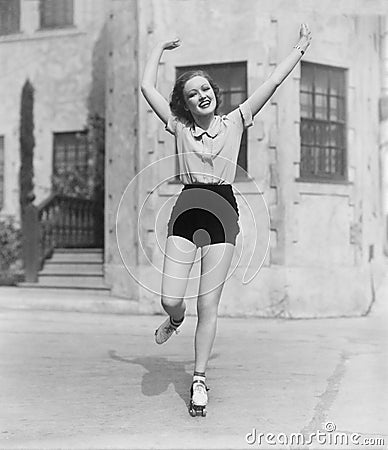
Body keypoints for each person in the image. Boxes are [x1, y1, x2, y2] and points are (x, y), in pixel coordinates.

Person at [140, 24, 312, 416]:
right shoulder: (179, 126)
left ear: (215, 95)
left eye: (205, 90)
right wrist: (157, 48)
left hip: (222, 208)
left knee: (209, 304)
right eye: (191, 94)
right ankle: (174, 320)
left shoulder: (236, 120)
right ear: (184, 104)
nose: (201, 96)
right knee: (171, 298)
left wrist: (299, 49)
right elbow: (147, 88)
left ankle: (199, 380)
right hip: (187, 206)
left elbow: (271, 81)